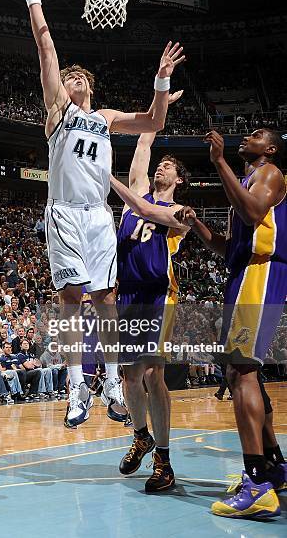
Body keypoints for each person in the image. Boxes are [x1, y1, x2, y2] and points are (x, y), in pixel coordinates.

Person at [22, 0, 185, 427]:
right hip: (65, 214)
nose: (70, 77)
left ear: (88, 85)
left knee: (108, 298)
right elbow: (46, 49)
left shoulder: (107, 117)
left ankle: (111, 382)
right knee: (72, 296)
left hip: (98, 216)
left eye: (77, 76)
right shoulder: (58, 111)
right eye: (66, 76)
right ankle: (76, 389)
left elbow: (153, 122)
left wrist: (159, 80)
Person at [175, 128, 287, 519]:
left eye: (257, 135)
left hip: (260, 274)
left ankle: (256, 482)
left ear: (269, 148)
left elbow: (254, 212)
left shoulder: (269, 172)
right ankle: (273, 465)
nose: (248, 137)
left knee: (241, 371)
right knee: (244, 372)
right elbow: (228, 247)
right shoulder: (246, 181)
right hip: (243, 272)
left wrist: (219, 161)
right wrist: (197, 227)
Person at [109, 129, 191, 491]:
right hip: (128, 295)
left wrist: (104, 176)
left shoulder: (178, 213)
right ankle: (141, 436)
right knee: (130, 376)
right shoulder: (134, 197)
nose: (162, 167)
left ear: (180, 180)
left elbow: (146, 210)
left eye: (169, 165)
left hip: (159, 295)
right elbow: (143, 144)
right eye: (161, 164)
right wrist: (160, 93)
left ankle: (164, 460)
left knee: (154, 374)